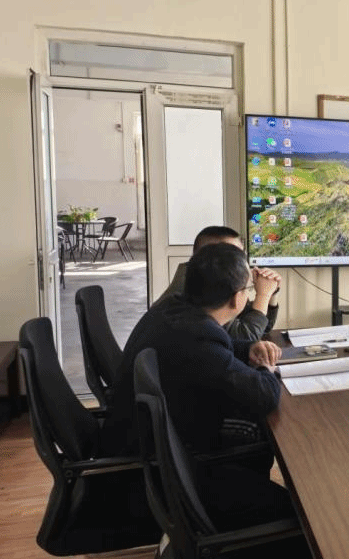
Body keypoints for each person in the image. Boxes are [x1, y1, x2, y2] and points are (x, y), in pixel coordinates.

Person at [105, 242, 290, 526]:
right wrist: (267, 367)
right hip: (175, 470)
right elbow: (263, 394)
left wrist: (248, 349)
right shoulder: (198, 337)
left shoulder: (173, 308)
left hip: (154, 445)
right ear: (237, 299)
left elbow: (220, 351)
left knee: (252, 425)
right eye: (248, 290)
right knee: (259, 429)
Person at [153, 225, 281, 342]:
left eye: (241, 254)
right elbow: (246, 335)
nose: (241, 261)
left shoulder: (213, 279)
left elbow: (263, 327)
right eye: (233, 255)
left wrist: (272, 292)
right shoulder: (193, 293)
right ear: (210, 256)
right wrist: (263, 294)